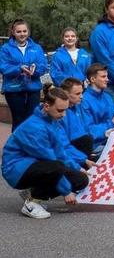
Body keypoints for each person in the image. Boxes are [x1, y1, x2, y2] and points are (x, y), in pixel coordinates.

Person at [2, 87, 89, 219]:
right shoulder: (34, 127)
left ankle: (33, 192)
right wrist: (66, 191)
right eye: (60, 110)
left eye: (65, 110)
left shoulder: (52, 121)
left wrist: (78, 167)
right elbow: (51, 160)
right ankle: (32, 203)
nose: (64, 114)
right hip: (16, 170)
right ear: (47, 106)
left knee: (80, 180)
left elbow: (60, 152)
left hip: (37, 164)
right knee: (57, 167)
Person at [1, 19, 49, 131]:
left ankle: (29, 147)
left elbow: (43, 65)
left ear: (28, 32)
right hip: (14, 89)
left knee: (32, 119)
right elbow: (3, 67)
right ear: (13, 32)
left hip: (33, 88)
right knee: (19, 120)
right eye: (19, 32)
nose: (22, 34)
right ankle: (16, 147)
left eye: (24, 31)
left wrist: (35, 69)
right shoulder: (5, 49)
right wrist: (19, 68)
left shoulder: (36, 48)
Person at [80, 63, 114, 150]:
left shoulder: (107, 96)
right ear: (93, 79)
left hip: (112, 138)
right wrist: (112, 123)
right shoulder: (84, 101)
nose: (107, 79)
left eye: (107, 76)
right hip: (97, 145)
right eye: (103, 77)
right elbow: (89, 131)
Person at [58, 78, 95, 165]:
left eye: (81, 93)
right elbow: (62, 145)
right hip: (71, 157)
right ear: (66, 94)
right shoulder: (59, 114)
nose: (81, 96)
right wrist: (83, 160)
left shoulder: (79, 106)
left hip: (83, 152)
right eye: (78, 94)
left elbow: (89, 129)